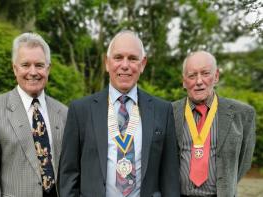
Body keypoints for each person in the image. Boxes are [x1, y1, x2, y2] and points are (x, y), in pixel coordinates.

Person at [58, 30, 180, 197]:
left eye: (132, 58)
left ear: (142, 64)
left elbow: (170, 178)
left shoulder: (163, 110)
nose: (125, 65)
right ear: (107, 63)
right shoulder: (81, 110)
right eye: (118, 57)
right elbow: (68, 175)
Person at [0, 32, 68, 197]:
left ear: (48, 69)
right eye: (25, 65)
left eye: (39, 65)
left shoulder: (63, 112)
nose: (33, 72)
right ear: (14, 68)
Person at [172, 51, 256, 197]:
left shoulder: (242, 114)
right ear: (184, 81)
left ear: (216, 76)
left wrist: (227, 184)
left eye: (205, 73)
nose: (199, 81)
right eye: (192, 76)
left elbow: (244, 161)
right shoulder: (169, 112)